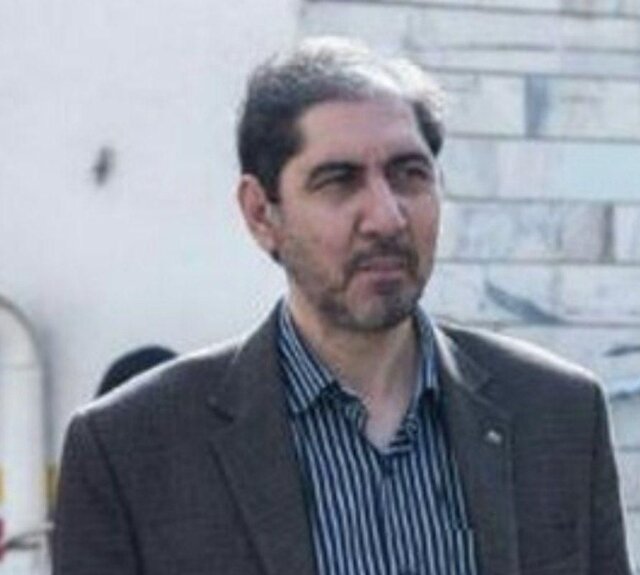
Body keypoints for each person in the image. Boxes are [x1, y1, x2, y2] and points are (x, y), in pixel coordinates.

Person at [53, 38, 631, 575]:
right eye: (338, 180)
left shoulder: (557, 413)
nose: (386, 216)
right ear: (260, 213)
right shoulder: (131, 450)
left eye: (409, 175)